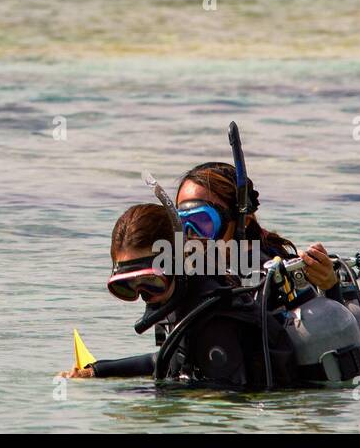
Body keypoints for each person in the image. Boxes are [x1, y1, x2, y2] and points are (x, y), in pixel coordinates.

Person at [59, 203, 297, 387]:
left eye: (151, 281)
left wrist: (135, 398)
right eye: (127, 286)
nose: (143, 295)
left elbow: (225, 400)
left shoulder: (214, 320)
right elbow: (165, 359)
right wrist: (97, 371)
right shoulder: (181, 300)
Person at [175, 161, 339, 291]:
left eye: (204, 221)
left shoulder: (269, 277)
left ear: (243, 221)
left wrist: (329, 286)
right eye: (181, 222)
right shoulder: (178, 276)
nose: (191, 234)